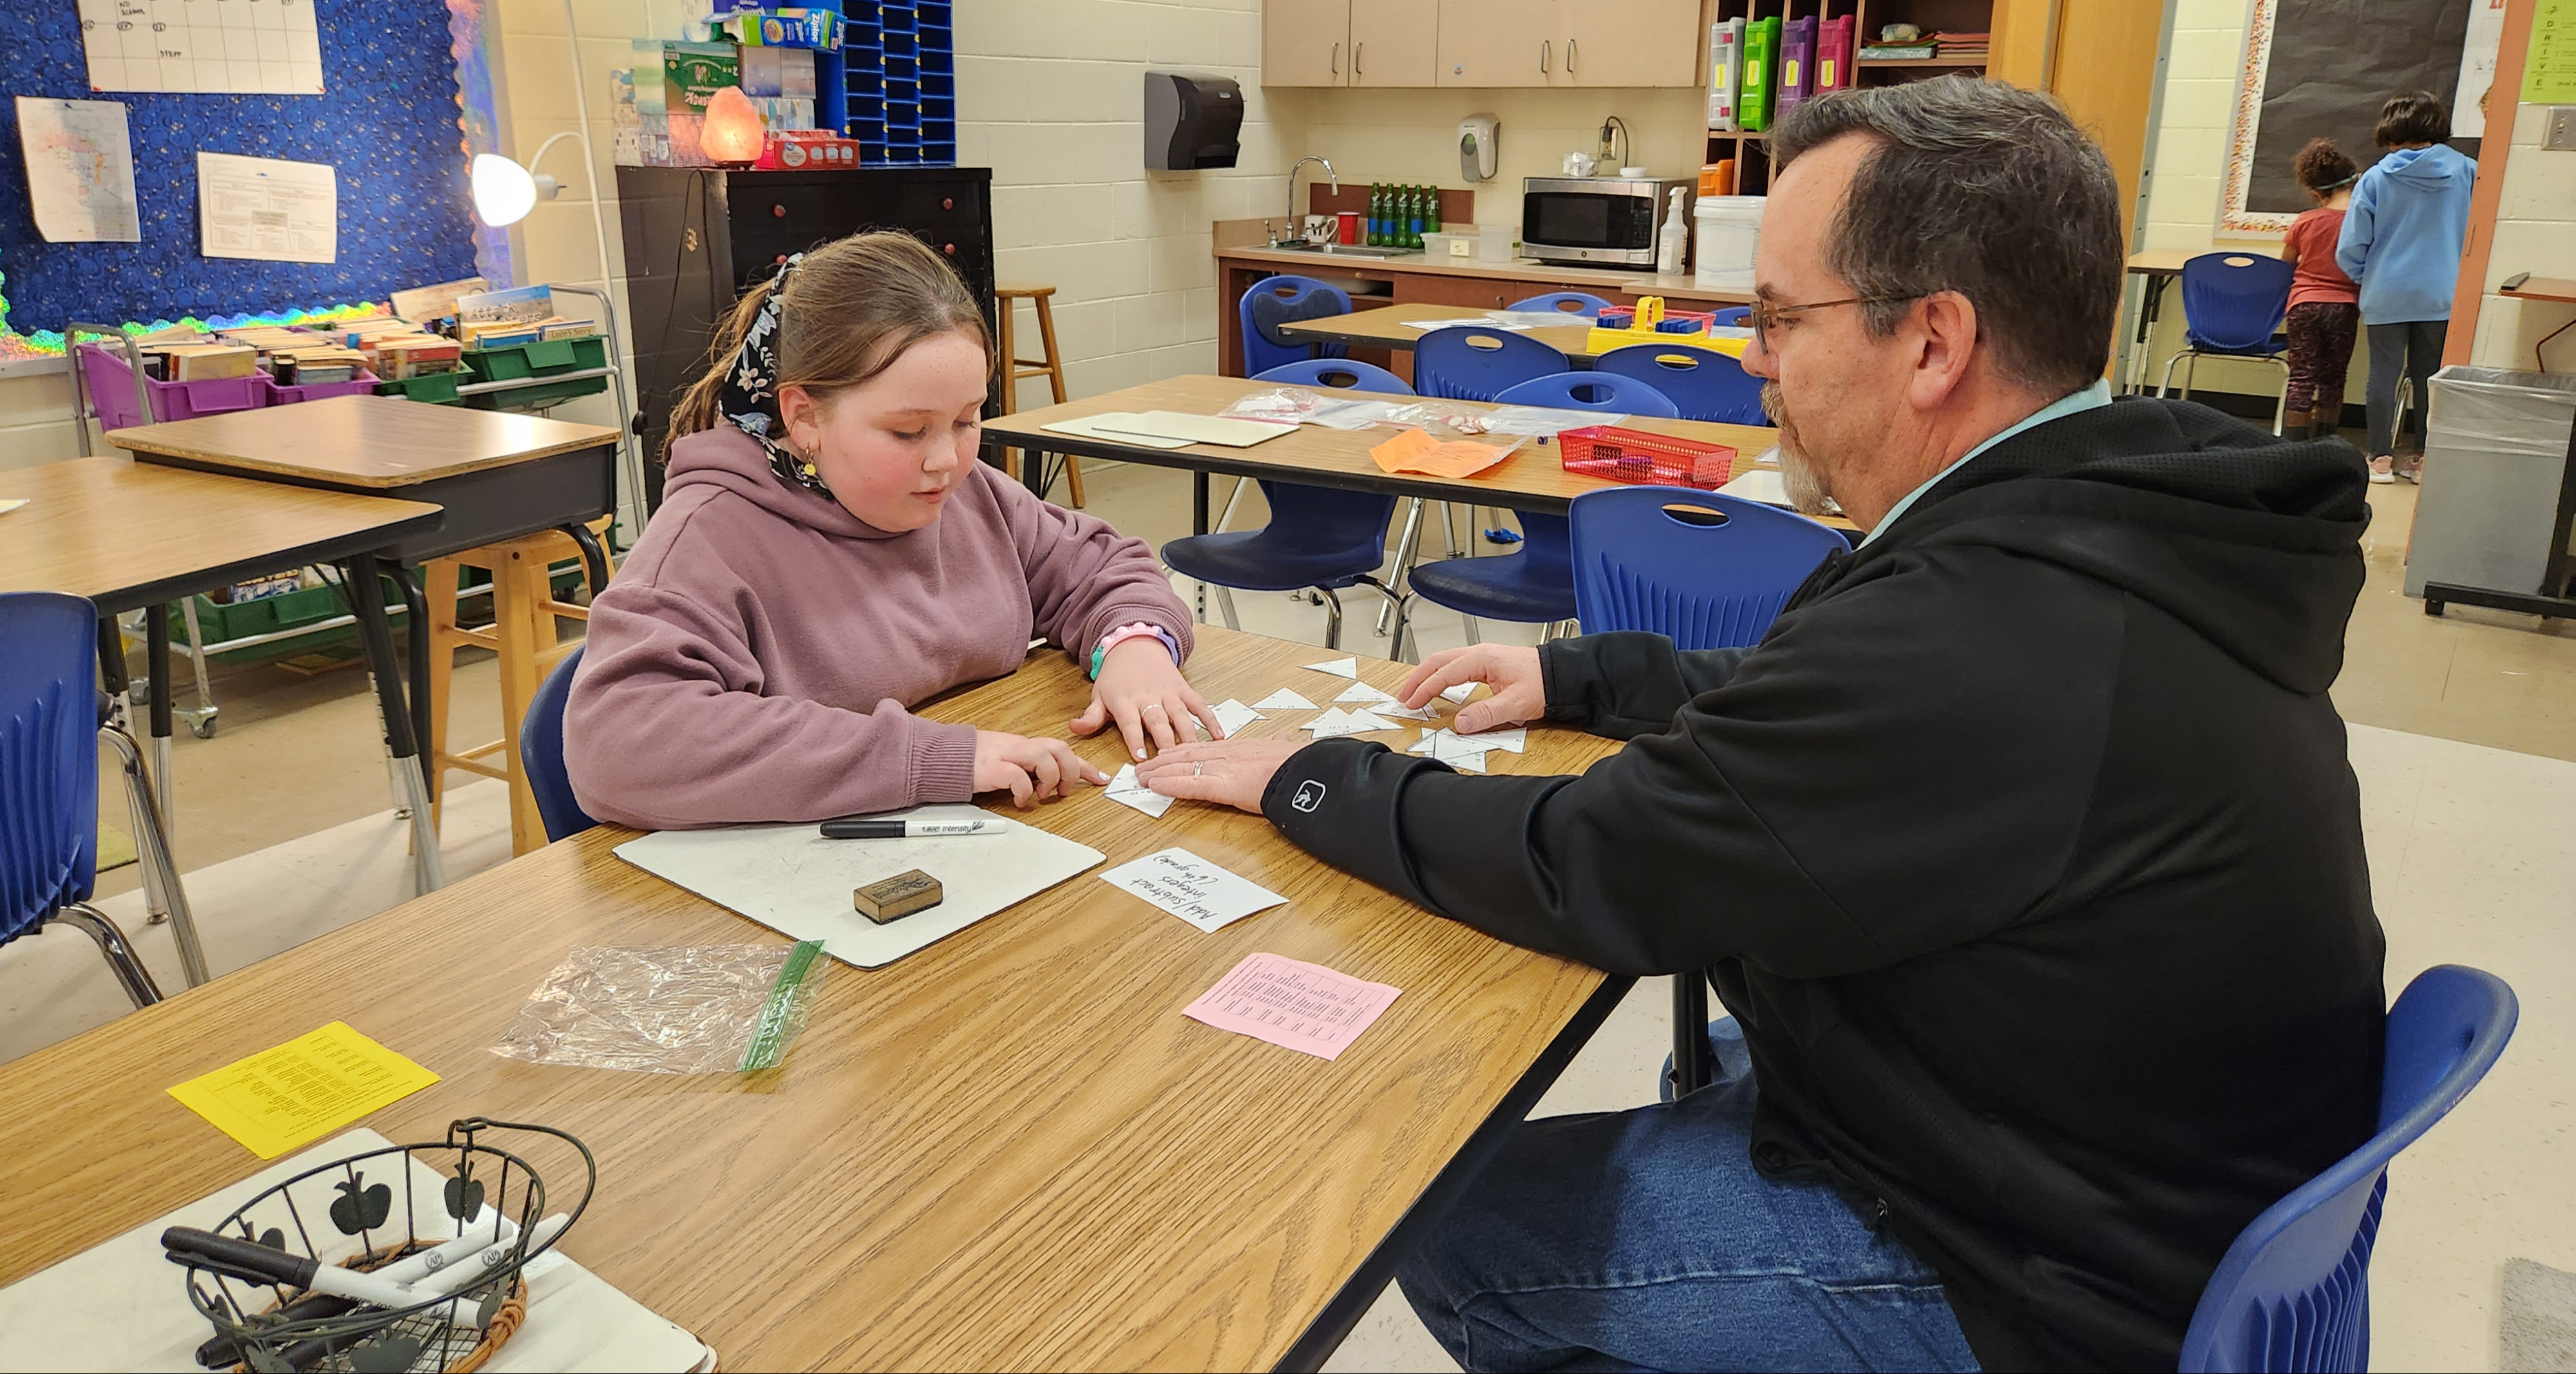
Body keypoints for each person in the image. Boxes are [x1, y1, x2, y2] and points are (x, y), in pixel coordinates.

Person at [1139, 77, 2385, 1373]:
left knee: (1442, 1211)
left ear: (1932, 342)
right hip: (2130, 1172)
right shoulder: (2104, 511)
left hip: (2045, 1287)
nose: (1750, 356)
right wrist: (1582, 679)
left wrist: (1313, 777)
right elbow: (1820, 712)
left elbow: (1594, 861)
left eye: (1778, 317)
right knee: (1716, 1044)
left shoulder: (1986, 631)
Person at [564, 232, 1214, 828]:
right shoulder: (708, 539)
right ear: (805, 418)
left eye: (967, 420)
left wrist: (1135, 650)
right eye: (908, 432)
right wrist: (930, 760)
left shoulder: (963, 492)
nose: (946, 460)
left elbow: (1099, 565)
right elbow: (618, 742)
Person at [2336, 90, 2477, 483]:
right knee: (2429, 375)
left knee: (2382, 374)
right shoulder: (2467, 171)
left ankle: (2380, 460)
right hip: (2443, 294)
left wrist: (2371, 276)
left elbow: (2350, 246)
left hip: (2387, 292)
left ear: (2390, 130)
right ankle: (2424, 459)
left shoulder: (2377, 178)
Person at [2278, 137, 2362, 444]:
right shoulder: (2362, 221)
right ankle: (2328, 444)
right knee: (2333, 378)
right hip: (2343, 307)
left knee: (2301, 377)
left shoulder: (2305, 221)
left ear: (2315, 192)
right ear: (2354, 180)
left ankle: (2292, 448)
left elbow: (2285, 265)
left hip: (2304, 306)